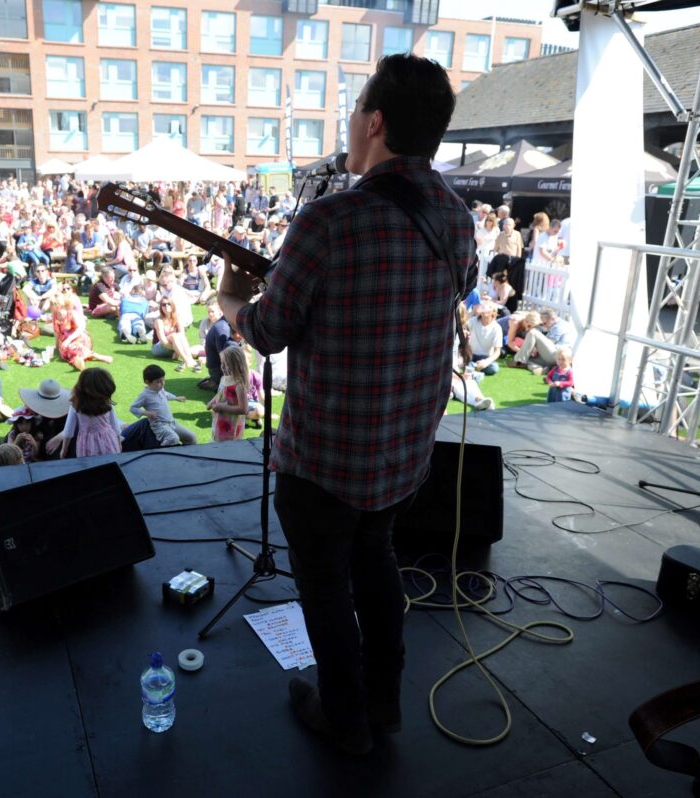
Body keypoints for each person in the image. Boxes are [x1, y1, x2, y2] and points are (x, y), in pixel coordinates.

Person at [216, 54, 474, 754]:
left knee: (326, 586)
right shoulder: (456, 218)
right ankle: (383, 706)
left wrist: (233, 299)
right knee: (376, 563)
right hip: (403, 455)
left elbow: (268, 331)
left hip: (324, 464)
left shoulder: (331, 219)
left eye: (356, 109)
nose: (351, 122)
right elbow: (448, 288)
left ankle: (343, 718)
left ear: (375, 122)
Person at [54, 367, 123, 458]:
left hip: (86, 444)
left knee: (89, 464)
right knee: (110, 462)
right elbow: (115, 427)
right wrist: (118, 443)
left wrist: (64, 450)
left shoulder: (76, 405)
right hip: (108, 440)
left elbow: (68, 431)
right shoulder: (106, 403)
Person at [128, 363, 195, 447]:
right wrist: (146, 413)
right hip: (159, 425)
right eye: (158, 382)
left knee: (191, 437)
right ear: (147, 382)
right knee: (173, 438)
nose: (162, 383)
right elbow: (132, 408)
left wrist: (176, 398)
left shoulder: (160, 389)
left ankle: (188, 453)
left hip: (172, 422)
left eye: (163, 380)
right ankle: (160, 450)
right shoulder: (145, 395)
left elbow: (166, 394)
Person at [51, 287, 112, 371]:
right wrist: (57, 346)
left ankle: (94, 355)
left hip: (78, 337)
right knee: (66, 351)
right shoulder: (54, 315)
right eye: (53, 305)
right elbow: (56, 332)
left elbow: (81, 328)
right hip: (65, 340)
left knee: (73, 347)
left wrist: (68, 340)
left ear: (62, 305)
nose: (53, 307)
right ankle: (78, 362)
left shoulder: (71, 313)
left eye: (55, 305)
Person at [207, 346, 249, 442]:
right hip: (220, 419)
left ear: (237, 365)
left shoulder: (238, 385)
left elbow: (244, 409)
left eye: (227, 365)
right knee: (216, 442)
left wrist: (222, 407)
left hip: (231, 424)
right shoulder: (224, 378)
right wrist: (211, 401)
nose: (223, 367)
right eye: (222, 363)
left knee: (227, 446)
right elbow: (221, 393)